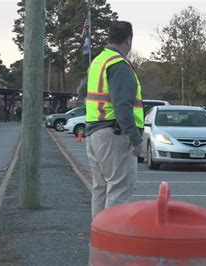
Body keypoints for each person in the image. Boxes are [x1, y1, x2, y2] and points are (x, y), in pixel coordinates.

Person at [85, 21, 144, 218]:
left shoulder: (98, 62)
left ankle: (100, 240)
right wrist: (135, 139)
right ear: (128, 40)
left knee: (100, 189)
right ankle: (112, 243)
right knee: (119, 190)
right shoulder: (119, 65)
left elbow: (81, 91)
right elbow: (123, 107)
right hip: (114, 134)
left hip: (94, 133)